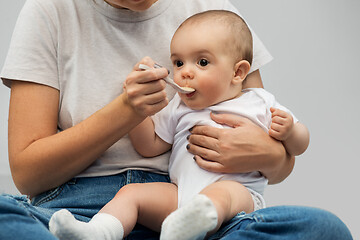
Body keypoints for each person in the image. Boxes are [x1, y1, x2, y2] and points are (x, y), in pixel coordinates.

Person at [0, 0, 352, 239]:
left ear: (238, 70)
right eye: (178, 63)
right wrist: (129, 111)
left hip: (206, 213)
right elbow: (28, 174)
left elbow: (282, 160)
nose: (184, 73)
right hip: (90, 205)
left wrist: (268, 152)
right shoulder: (49, 11)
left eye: (200, 63)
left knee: (324, 229)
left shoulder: (214, 14)